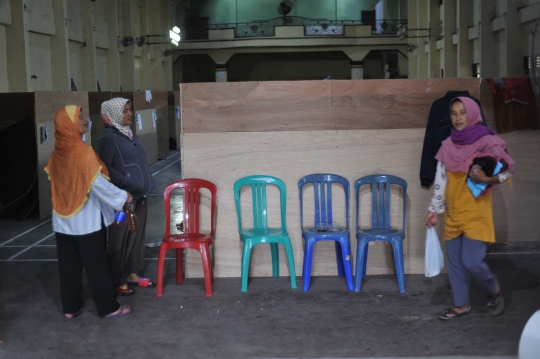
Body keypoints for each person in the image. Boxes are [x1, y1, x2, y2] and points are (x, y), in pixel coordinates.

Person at [424, 97, 515, 320]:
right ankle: (461, 304)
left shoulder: (486, 140)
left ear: (472, 114)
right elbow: (440, 180)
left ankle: (492, 286)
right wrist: (434, 209)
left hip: (477, 212)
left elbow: (508, 173)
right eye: (454, 113)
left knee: (471, 261)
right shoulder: (447, 145)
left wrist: (487, 178)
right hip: (453, 211)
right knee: (455, 263)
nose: (457, 118)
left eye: (462, 113)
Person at [45, 105, 133, 319]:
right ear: (68, 125)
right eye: (79, 117)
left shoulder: (57, 153)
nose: (85, 119)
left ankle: (70, 308)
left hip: (63, 221)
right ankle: (108, 307)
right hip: (86, 222)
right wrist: (123, 197)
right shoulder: (82, 152)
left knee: (69, 267)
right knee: (96, 266)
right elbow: (97, 185)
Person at [98, 98, 156, 296]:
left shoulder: (130, 135)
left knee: (136, 237)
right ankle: (117, 279)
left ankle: (132, 274)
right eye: (124, 111)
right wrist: (127, 186)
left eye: (130, 110)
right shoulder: (109, 138)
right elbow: (106, 170)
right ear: (113, 114)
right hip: (122, 200)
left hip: (139, 196)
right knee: (118, 240)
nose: (129, 114)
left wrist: (145, 183)